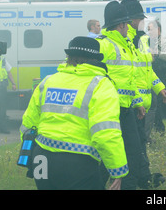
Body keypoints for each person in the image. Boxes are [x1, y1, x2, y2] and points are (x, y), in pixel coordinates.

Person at [20, 36, 128, 190]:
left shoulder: (48, 81)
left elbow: (27, 124)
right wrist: (118, 170)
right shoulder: (101, 85)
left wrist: (27, 154)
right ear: (95, 59)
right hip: (78, 163)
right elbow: (105, 134)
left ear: (69, 57)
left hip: (41, 157)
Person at [96, 1, 144, 190]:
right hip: (109, 109)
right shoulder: (104, 45)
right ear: (121, 25)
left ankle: (127, 186)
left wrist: (137, 101)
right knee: (106, 152)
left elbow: (130, 80)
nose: (129, 27)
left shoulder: (126, 45)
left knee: (132, 151)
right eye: (127, 24)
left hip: (126, 108)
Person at [121, 0, 166, 188]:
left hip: (139, 103)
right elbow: (127, 76)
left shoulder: (138, 40)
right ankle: (134, 180)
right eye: (139, 18)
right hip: (130, 103)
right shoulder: (125, 41)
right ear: (129, 19)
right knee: (133, 145)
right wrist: (138, 100)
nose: (142, 22)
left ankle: (144, 178)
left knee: (139, 142)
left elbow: (146, 69)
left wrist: (159, 87)